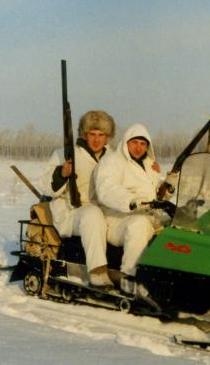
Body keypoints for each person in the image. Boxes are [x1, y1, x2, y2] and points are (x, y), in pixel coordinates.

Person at [40, 110, 115, 287]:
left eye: (101, 135)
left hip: (102, 213)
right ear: (84, 134)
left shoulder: (113, 158)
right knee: (92, 214)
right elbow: (45, 186)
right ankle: (97, 272)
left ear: (107, 137)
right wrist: (62, 173)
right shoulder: (65, 154)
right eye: (92, 134)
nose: (96, 140)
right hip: (71, 213)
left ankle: (129, 273)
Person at [93, 123, 168, 296]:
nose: (138, 147)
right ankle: (129, 277)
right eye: (134, 142)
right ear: (126, 142)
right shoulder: (112, 161)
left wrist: (167, 187)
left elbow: (155, 191)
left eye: (143, 144)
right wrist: (132, 201)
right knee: (139, 225)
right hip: (117, 219)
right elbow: (107, 190)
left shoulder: (148, 165)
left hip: (149, 216)